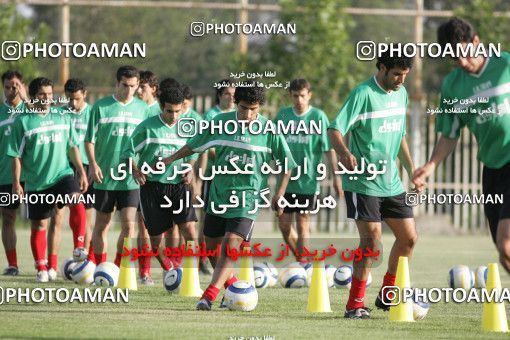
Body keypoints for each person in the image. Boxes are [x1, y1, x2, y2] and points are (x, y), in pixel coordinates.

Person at [161, 84, 296, 310]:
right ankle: (233, 289)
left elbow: (287, 164)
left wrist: (280, 193)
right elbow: (194, 146)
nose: (249, 114)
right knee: (212, 250)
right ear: (236, 104)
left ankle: (208, 296)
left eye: (254, 109)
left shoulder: (269, 130)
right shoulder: (219, 123)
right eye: (244, 108)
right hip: (219, 196)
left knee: (231, 244)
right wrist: (170, 159)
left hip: (248, 199)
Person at [413, 17, 510, 275]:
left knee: (507, 244)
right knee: (504, 255)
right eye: (454, 59)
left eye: (465, 54)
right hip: (492, 169)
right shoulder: (453, 86)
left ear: (476, 42)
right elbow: (449, 134)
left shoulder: (505, 64)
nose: (462, 63)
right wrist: (430, 166)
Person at [328, 51, 416, 319]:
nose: (401, 80)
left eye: (405, 75)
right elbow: (334, 129)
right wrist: (344, 152)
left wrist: (413, 170)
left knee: (409, 239)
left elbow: (400, 136)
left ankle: (387, 293)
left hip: (390, 181)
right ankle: (354, 305)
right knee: (371, 241)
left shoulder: (401, 94)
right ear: (382, 68)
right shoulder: (362, 94)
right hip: (362, 181)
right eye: (396, 74)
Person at [7, 77, 88, 282]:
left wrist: (82, 171)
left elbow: (73, 146)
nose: (47, 98)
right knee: (39, 226)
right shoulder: (23, 122)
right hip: (37, 183)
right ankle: (41, 267)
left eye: (50, 94)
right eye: (43, 94)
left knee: (76, 200)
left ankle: (79, 247)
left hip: (62, 174)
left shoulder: (62, 116)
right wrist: (17, 183)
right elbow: (16, 155)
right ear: (34, 96)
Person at [122, 85, 198, 276]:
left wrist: (190, 168)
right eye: (169, 111)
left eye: (177, 111)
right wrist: (135, 170)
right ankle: (170, 270)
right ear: (162, 107)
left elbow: (194, 150)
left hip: (179, 185)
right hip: (152, 187)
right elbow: (128, 152)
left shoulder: (187, 127)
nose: (173, 116)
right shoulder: (147, 127)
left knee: (189, 230)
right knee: (156, 243)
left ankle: (189, 273)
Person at [85, 66, 149, 268]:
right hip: (105, 176)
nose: (129, 90)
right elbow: (89, 140)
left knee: (129, 226)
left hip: (131, 178)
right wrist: (93, 164)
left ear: (138, 85)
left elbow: (147, 143)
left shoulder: (143, 109)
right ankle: (100, 266)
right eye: (125, 85)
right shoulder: (101, 107)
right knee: (102, 225)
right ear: (117, 83)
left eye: (133, 86)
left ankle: (117, 267)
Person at [274, 78, 342, 262]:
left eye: (302, 95)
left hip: (308, 181)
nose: (299, 100)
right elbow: (272, 144)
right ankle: (303, 259)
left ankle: (303, 263)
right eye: (295, 96)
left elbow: (328, 150)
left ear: (309, 95)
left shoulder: (318, 117)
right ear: (290, 96)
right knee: (284, 225)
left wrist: (336, 177)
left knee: (303, 222)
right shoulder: (282, 116)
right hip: (285, 182)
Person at [63, 78, 94, 260]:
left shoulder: (93, 113)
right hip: (64, 168)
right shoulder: (60, 114)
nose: (73, 103)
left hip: (88, 167)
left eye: (76, 99)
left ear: (84, 94)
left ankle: (86, 262)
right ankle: (50, 265)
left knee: (87, 219)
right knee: (58, 218)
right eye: (69, 99)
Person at [0, 70, 27, 276]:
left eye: (15, 86)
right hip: (5, 176)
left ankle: (45, 266)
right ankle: (13, 264)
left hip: (33, 176)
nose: (11, 90)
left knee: (43, 220)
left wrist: (27, 99)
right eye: (8, 87)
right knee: (8, 218)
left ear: (22, 86)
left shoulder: (32, 111)